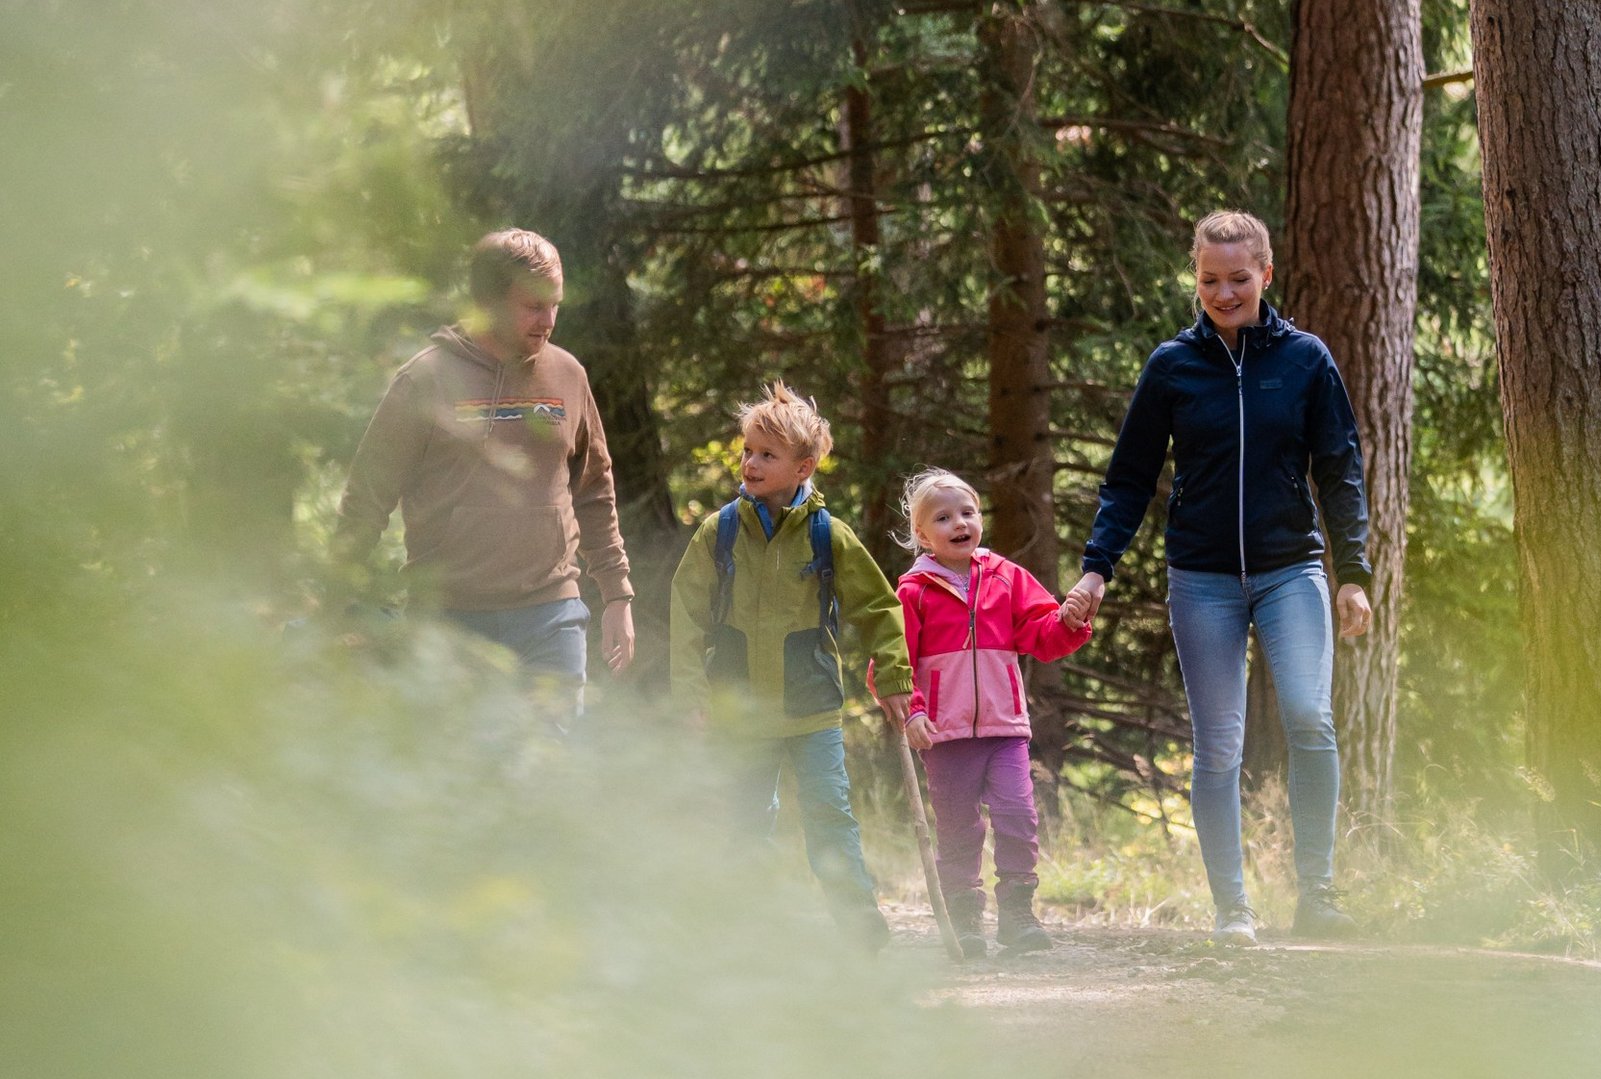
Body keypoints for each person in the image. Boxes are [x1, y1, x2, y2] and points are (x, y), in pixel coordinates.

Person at [1062, 209, 1373, 944]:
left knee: (1308, 716)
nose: (1224, 292)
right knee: (1219, 745)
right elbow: (1129, 479)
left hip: (1290, 568)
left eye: (1239, 278)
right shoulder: (1172, 366)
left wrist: (1353, 572)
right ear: (1195, 277)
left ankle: (1317, 894)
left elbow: (1339, 469)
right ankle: (1234, 908)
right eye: (1210, 279)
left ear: (1267, 273)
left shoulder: (1306, 360)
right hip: (1201, 579)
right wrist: (1097, 569)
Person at [335, 228, 635, 722]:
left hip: (550, 616)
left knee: (550, 774)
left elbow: (594, 490)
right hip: (450, 622)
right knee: (462, 782)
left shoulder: (568, 375)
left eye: (555, 304)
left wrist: (617, 594)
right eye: (533, 306)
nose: (548, 321)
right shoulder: (425, 381)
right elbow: (368, 496)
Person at [668, 382, 914, 951]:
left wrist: (896, 677)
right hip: (742, 709)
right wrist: (691, 696)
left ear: (803, 468)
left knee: (829, 817)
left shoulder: (830, 536)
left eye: (767, 455)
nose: (750, 463)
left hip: (811, 709)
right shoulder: (719, 532)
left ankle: (861, 933)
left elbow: (878, 607)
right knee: (745, 821)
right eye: (748, 450)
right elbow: (686, 615)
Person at [891, 468, 1092, 957]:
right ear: (922, 536)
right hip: (945, 735)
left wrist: (1068, 619)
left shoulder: (1005, 577)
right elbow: (895, 662)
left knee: (1017, 814)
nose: (960, 523)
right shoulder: (913, 593)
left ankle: (1018, 914)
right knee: (958, 828)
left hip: (1005, 729)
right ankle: (965, 921)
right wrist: (913, 712)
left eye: (968, 512)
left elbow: (1041, 634)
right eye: (943, 518)